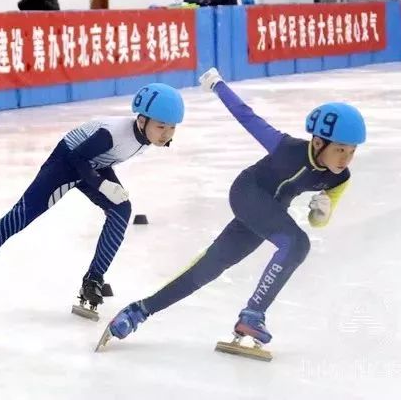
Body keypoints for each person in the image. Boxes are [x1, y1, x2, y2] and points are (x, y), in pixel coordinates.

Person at [98, 67, 366, 354]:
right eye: (340, 150)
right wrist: (218, 85)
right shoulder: (286, 147)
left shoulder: (340, 178)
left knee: (209, 267)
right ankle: (252, 316)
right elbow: (247, 116)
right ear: (318, 142)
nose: (346, 159)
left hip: (269, 212)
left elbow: (319, 222)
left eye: (352, 151)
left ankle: (138, 311)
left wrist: (321, 214)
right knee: (296, 243)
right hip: (247, 193)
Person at [0, 84, 185, 316]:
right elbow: (77, 158)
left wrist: (102, 181)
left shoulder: (147, 135)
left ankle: (93, 279)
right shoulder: (112, 133)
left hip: (95, 165)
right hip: (67, 161)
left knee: (121, 210)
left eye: (172, 127)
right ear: (141, 121)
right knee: (16, 219)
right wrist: (102, 184)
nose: (166, 133)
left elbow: (96, 163)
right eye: (161, 126)